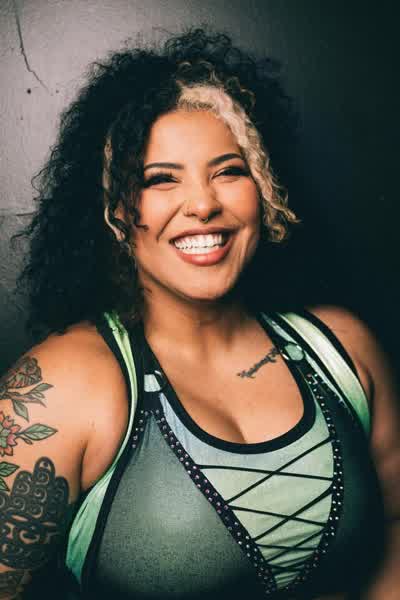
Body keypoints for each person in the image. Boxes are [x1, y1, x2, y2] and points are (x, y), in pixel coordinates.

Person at [0, 28, 398, 600]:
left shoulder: (342, 349)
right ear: (115, 211)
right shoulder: (60, 389)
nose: (204, 204)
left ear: (265, 189)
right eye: (161, 179)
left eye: (229, 171)